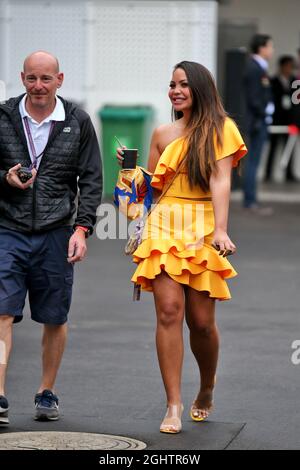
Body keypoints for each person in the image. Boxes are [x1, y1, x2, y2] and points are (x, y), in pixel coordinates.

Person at [117, 61, 247, 433]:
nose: (175, 90)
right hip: (164, 224)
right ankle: (172, 403)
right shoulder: (161, 132)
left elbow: (221, 181)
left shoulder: (223, 129)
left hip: (204, 223)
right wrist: (131, 176)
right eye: (172, 85)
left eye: (184, 85)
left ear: (201, 88)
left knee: (202, 323)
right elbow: (154, 191)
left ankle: (206, 387)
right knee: (169, 312)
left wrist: (221, 230)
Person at [0, 51, 102, 425]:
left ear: (60, 79)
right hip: (7, 228)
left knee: (55, 317)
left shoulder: (77, 121)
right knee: (2, 312)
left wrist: (82, 229)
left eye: (46, 79)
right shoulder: (4, 117)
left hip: (57, 232)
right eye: (31, 79)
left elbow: (91, 181)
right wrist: (4, 179)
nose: (38, 86)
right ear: (21, 78)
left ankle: (46, 392)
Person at [243, 34, 274, 213]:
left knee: (254, 161)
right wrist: (266, 111)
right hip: (256, 121)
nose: (272, 50)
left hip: (258, 119)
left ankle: (251, 197)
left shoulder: (258, 66)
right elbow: (254, 98)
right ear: (261, 48)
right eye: (270, 46)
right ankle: (250, 199)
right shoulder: (254, 68)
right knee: (253, 161)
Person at [265, 55, 297, 182]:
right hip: (276, 120)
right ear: (282, 66)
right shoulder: (273, 81)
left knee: (290, 147)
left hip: (290, 120)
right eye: (287, 66)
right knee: (273, 146)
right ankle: (268, 173)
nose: (289, 69)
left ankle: (289, 174)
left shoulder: (295, 81)